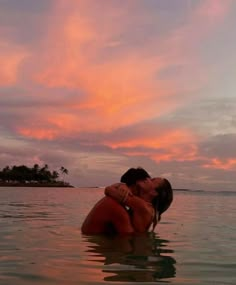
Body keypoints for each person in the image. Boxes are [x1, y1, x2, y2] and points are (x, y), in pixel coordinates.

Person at [81, 168, 173, 235]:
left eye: (152, 180)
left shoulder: (141, 206)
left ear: (154, 193)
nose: (147, 178)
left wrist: (119, 186)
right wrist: (121, 186)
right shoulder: (148, 209)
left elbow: (109, 190)